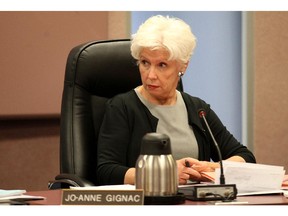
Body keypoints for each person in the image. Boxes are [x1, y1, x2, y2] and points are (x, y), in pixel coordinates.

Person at [97, 15, 256, 186]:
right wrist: (163, 174)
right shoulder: (122, 107)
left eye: (162, 65)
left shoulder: (198, 109)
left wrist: (213, 167)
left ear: (183, 66)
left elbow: (246, 157)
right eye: (145, 63)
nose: (150, 75)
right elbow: (106, 171)